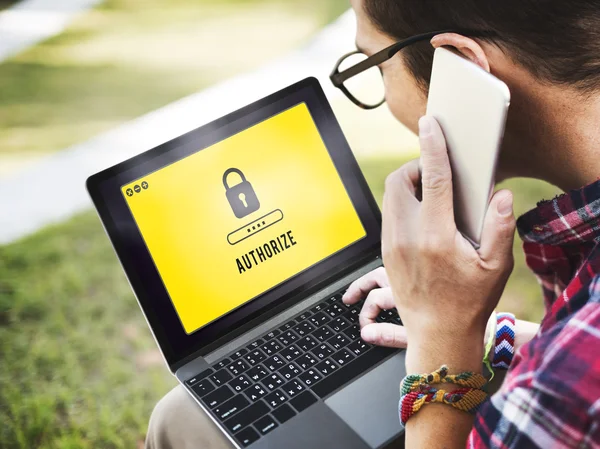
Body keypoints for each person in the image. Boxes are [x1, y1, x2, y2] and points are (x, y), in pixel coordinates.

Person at [146, 0, 600, 447]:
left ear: (464, 69)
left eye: (375, 66)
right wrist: (483, 334)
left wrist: (441, 343)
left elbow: (569, 377)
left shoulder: (567, 392)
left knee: (178, 421)